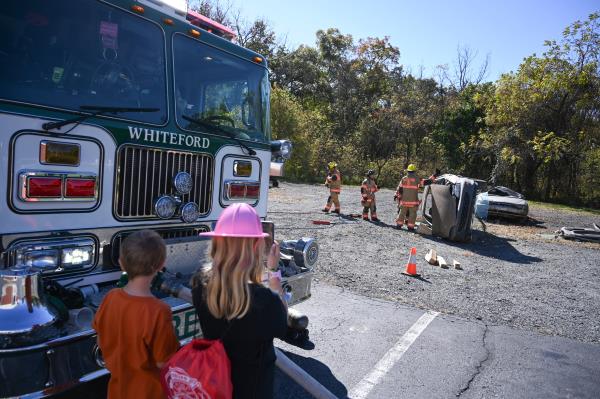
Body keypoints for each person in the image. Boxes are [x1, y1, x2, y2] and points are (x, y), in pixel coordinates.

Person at [193, 203, 288, 399]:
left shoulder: (199, 283)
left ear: (217, 242)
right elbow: (282, 322)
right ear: (256, 246)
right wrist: (273, 275)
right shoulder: (265, 301)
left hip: (215, 386)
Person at [93, 230, 180, 399]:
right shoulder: (159, 311)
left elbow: (100, 340)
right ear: (161, 265)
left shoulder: (109, 298)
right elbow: (164, 362)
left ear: (121, 263)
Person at [395, 164, 421, 231]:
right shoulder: (417, 179)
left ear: (408, 171)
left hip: (404, 201)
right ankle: (410, 227)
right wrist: (434, 176)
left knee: (402, 213)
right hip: (413, 202)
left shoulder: (404, 178)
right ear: (414, 171)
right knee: (412, 214)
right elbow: (425, 182)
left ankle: (399, 225)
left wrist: (397, 196)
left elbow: (399, 189)